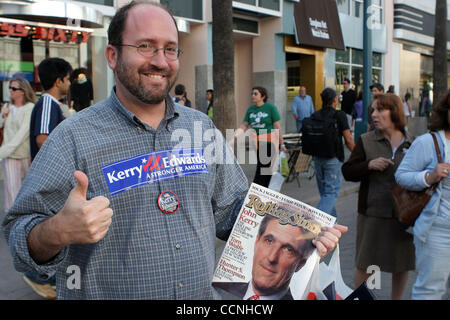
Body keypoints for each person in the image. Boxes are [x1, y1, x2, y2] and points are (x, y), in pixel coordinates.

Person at [2, 1, 345, 300]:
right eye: (146, 46)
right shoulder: (72, 137)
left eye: (170, 49)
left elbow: (236, 212)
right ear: (112, 55)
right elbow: (19, 235)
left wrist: (306, 229)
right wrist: (57, 231)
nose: (160, 61)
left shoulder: (202, 129)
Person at [342, 93, 415, 300]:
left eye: (380, 110)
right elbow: (348, 171)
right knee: (366, 263)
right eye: (372, 110)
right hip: (372, 212)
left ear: (394, 112)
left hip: (404, 214)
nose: (374, 114)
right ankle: (362, 298)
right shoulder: (366, 140)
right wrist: (368, 165)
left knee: (402, 263)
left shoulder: (413, 142)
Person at [395, 90, 450, 300]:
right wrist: (429, 176)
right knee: (430, 291)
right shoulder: (429, 142)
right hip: (438, 230)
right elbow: (401, 176)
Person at [215, 214, 324, 300]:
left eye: (288, 249)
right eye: (269, 241)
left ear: (301, 264)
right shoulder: (219, 287)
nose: (272, 257)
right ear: (256, 242)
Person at [230, 87, 287, 188]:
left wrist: (282, 143)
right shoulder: (251, 110)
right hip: (257, 142)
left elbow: (277, 126)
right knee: (264, 167)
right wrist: (233, 138)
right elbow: (244, 125)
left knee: (263, 167)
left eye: (255, 94)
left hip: (269, 141)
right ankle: (264, 190)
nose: (253, 96)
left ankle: (258, 189)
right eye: (252, 93)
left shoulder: (270, 108)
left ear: (263, 96)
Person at [311, 88, 354, 217]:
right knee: (330, 194)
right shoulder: (339, 115)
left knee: (325, 194)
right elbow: (348, 139)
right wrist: (359, 154)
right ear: (335, 100)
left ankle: (331, 224)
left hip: (317, 158)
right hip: (333, 159)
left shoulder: (315, 115)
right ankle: (314, 220)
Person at [0, 78, 36, 212]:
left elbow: (22, 134)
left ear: (23, 91)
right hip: (10, 156)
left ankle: (28, 222)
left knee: (29, 192)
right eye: (10, 87)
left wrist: (1, 152)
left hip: (25, 154)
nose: (10, 90)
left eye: (14, 88)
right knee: (11, 193)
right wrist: (3, 116)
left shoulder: (30, 108)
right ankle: (11, 224)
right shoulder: (7, 107)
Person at [30, 57, 72, 161]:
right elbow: (42, 139)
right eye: (67, 79)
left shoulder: (51, 104)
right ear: (58, 81)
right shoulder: (47, 103)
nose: (69, 83)